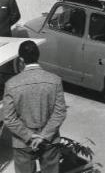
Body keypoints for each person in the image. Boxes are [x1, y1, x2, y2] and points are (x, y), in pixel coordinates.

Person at [3, 40, 67, 173]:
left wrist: (29, 135)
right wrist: (43, 136)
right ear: (38, 56)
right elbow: (59, 112)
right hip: (50, 139)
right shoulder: (55, 80)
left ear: (21, 60)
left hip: (22, 142)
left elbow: (9, 118)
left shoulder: (11, 84)